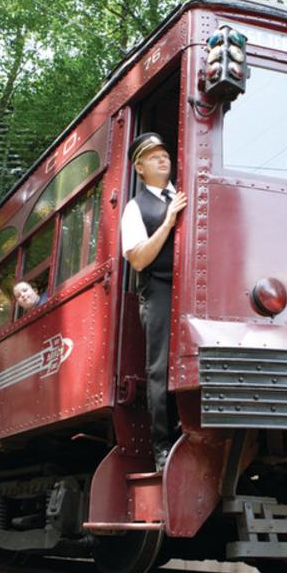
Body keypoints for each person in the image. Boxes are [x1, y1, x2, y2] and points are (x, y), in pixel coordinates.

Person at [119, 132, 187, 472]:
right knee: (160, 368)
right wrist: (169, 221)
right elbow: (138, 259)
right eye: (154, 156)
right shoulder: (135, 207)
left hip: (190, 288)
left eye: (165, 154)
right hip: (158, 290)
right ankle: (163, 448)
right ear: (140, 168)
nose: (164, 159)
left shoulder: (187, 192)